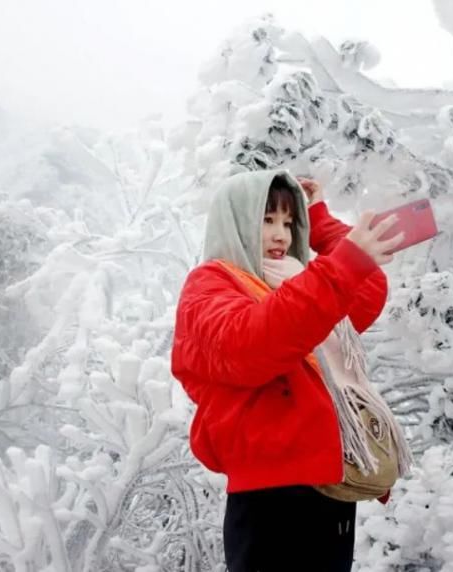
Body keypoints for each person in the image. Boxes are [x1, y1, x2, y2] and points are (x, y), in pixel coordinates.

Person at [171, 169, 406, 572]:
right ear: (236, 219)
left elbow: (365, 292)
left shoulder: (296, 280)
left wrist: (318, 218)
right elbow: (250, 344)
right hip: (271, 495)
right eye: (266, 220)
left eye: (288, 222)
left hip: (328, 484)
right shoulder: (209, 284)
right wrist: (343, 265)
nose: (281, 235)